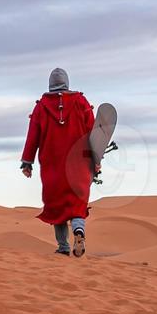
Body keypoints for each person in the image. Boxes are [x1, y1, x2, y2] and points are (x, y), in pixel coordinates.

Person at [20, 67, 98, 257]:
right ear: (67, 82)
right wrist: (96, 160)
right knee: (77, 202)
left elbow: (33, 136)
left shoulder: (41, 107)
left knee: (56, 205)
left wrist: (27, 162)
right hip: (79, 163)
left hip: (52, 165)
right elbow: (94, 133)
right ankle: (79, 231)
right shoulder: (81, 102)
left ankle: (63, 247)